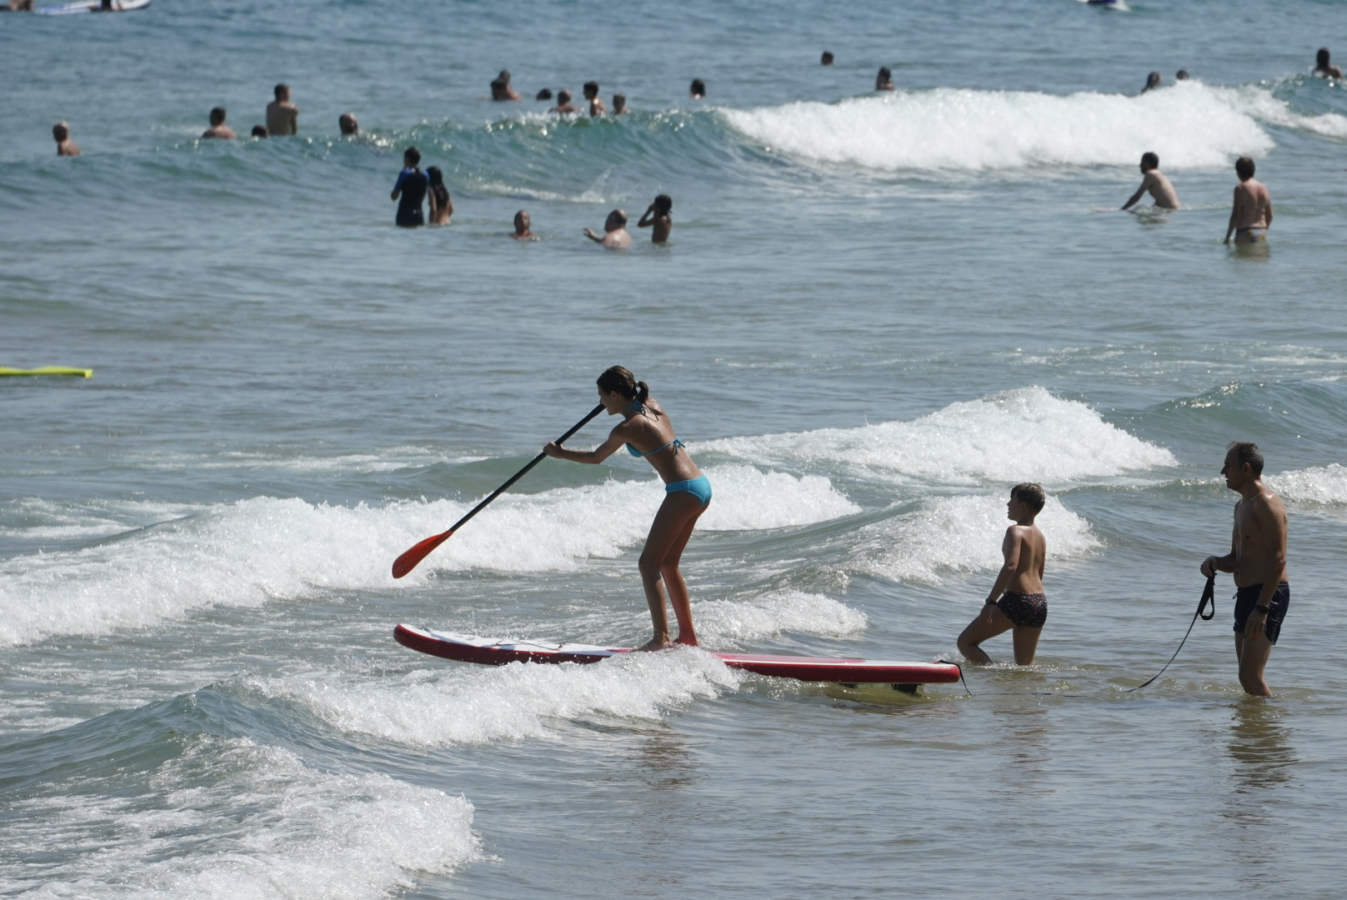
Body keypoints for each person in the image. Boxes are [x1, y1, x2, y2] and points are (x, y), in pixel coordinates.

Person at [543, 366, 711, 650]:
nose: (600, 403)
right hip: (700, 486)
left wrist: (559, 453)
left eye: (601, 396)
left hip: (683, 491)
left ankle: (661, 638)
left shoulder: (628, 427)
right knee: (668, 563)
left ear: (614, 394)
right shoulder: (652, 406)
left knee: (648, 564)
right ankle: (688, 636)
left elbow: (596, 457)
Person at [1200, 442, 1289, 697]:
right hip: (1246, 594)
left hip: (1268, 595)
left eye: (1228, 466)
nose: (1223, 472)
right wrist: (1215, 562)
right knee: (1245, 676)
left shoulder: (1267, 504)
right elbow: (1236, 559)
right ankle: (1255, 721)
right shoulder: (1241, 507)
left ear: (1246, 468)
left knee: (1250, 676)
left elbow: (1278, 560)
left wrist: (1262, 608)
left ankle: (1271, 721)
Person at [957, 483, 1049, 666]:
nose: (1008, 504)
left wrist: (991, 602)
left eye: (1012, 500)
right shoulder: (1040, 536)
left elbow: (1010, 566)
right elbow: (1039, 573)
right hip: (1038, 603)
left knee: (966, 643)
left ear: (1023, 505)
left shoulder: (1015, 531)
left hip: (1017, 600)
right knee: (1024, 666)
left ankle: (993, 673)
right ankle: (1017, 686)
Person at [1224, 156, 1272, 247]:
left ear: (1238, 172)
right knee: (1259, 255)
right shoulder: (1264, 188)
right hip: (1261, 231)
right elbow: (1269, 215)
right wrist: (1264, 230)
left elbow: (1235, 214)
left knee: (1243, 256)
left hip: (1245, 231)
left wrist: (1227, 237)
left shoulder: (1240, 188)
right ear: (1253, 170)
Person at [390, 146, 428, 228]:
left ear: (407, 159)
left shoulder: (404, 174)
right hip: (419, 215)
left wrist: (404, 169)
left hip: (404, 214)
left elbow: (394, 197)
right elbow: (423, 196)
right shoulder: (426, 175)